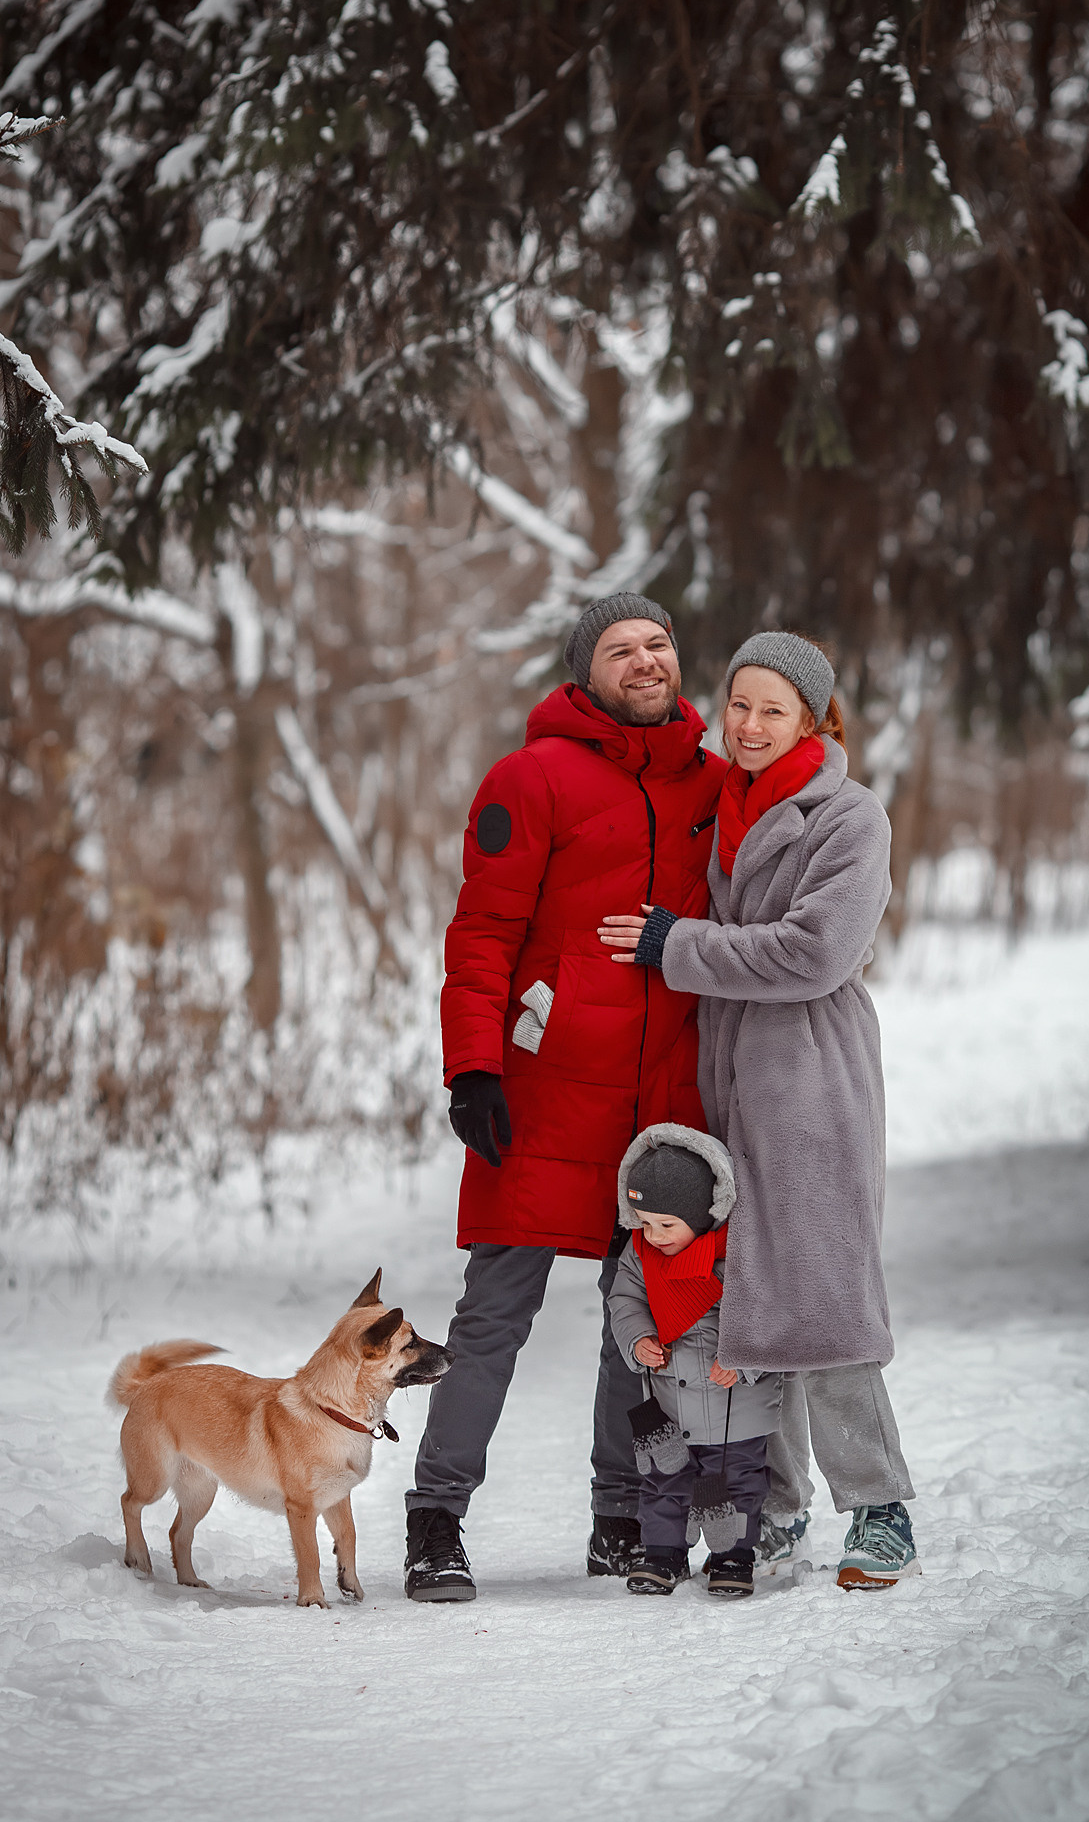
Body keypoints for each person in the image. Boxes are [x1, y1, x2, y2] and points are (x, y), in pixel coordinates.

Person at [405, 593, 725, 1602]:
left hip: (661, 1101)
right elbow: (483, 932)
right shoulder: (530, 777)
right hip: (541, 1093)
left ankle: (619, 1517)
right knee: (494, 1316)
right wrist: (472, 1067)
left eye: (658, 643)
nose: (645, 660)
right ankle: (434, 1520)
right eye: (620, 649)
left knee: (643, 1314)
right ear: (584, 673)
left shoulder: (714, 784)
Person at [598, 631, 918, 1590]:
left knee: (826, 1291)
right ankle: (773, 1508)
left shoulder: (850, 817)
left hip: (812, 1073)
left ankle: (880, 1509)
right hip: (727, 1070)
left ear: (812, 720)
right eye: (738, 704)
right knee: (741, 1292)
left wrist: (679, 946)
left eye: (772, 709)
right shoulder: (722, 805)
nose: (747, 724)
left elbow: (816, 952)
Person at [608, 1122, 782, 1599]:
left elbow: (767, 1311)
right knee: (663, 1480)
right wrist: (639, 1338)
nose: (654, 1235)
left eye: (667, 1225)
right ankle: (662, 1554)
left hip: (737, 1405)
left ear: (703, 1214)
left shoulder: (741, 1255)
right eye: (644, 1223)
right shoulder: (639, 1256)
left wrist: (743, 1356)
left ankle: (733, 1556)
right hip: (671, 1402)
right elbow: (625, 1300)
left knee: (738, 1483)